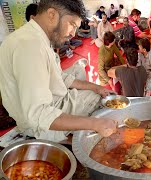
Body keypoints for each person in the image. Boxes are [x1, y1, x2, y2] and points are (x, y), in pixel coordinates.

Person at [0, 0, 117, 142]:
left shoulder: (35, 37)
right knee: (98, 99)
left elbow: (61, 78)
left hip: (53, 101)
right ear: (52, 14)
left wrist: (97, 87)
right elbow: (39, 114)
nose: (73, 33)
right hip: (42, 127)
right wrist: (95, 124)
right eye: (72, 25)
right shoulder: (30, 46)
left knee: (93, 88)